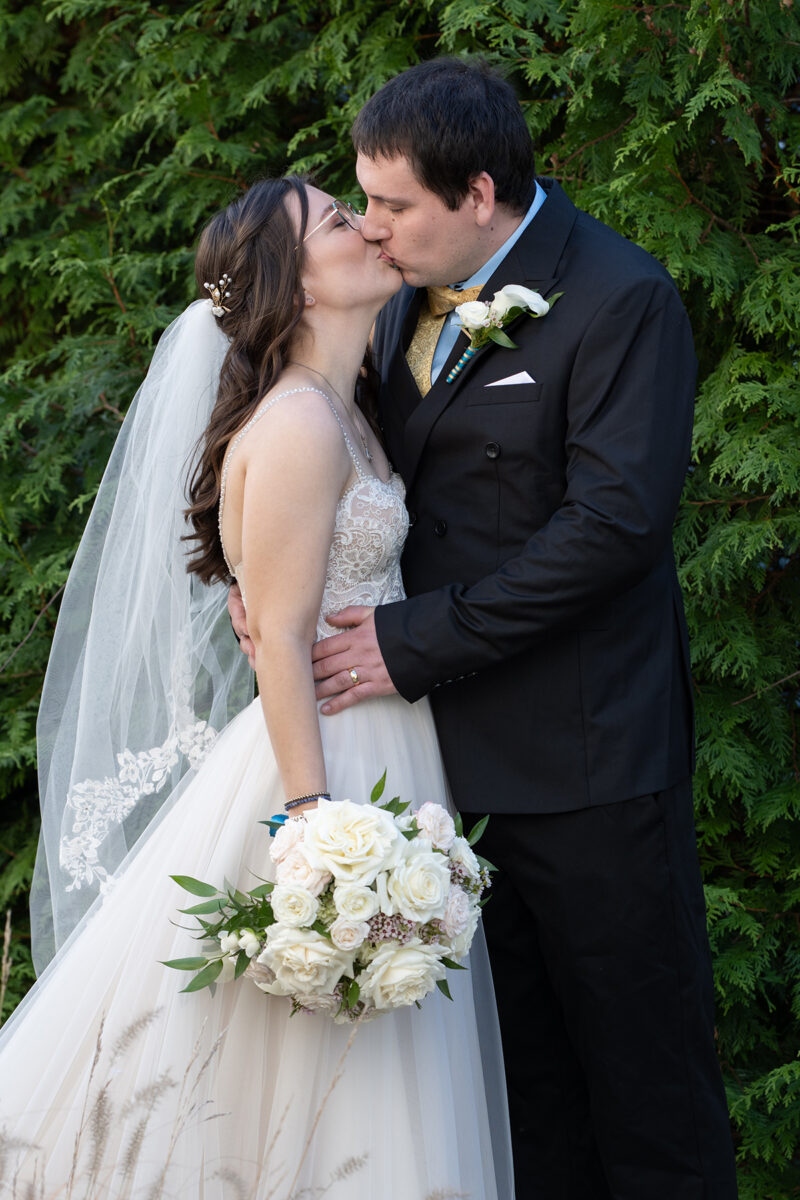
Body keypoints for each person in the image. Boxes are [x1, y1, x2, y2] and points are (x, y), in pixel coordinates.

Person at [0, 177, 513, 1199]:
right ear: (292, 282)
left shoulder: (348, 406)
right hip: (329, 760)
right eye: (335, 221)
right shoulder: (297, 425)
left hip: (387, 738)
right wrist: (317, 828)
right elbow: (276, 635)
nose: (365, 226)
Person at [282, 57, 739, 1199]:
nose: (373, 229)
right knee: (515, 1099)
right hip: (440, 783)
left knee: (644, 1091)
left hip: (588, 768)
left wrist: (408, 643)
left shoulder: (616, 298)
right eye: (363, 201)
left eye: (392, 205)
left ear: (476, 194)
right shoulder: (390, 305)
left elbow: (611, 528)